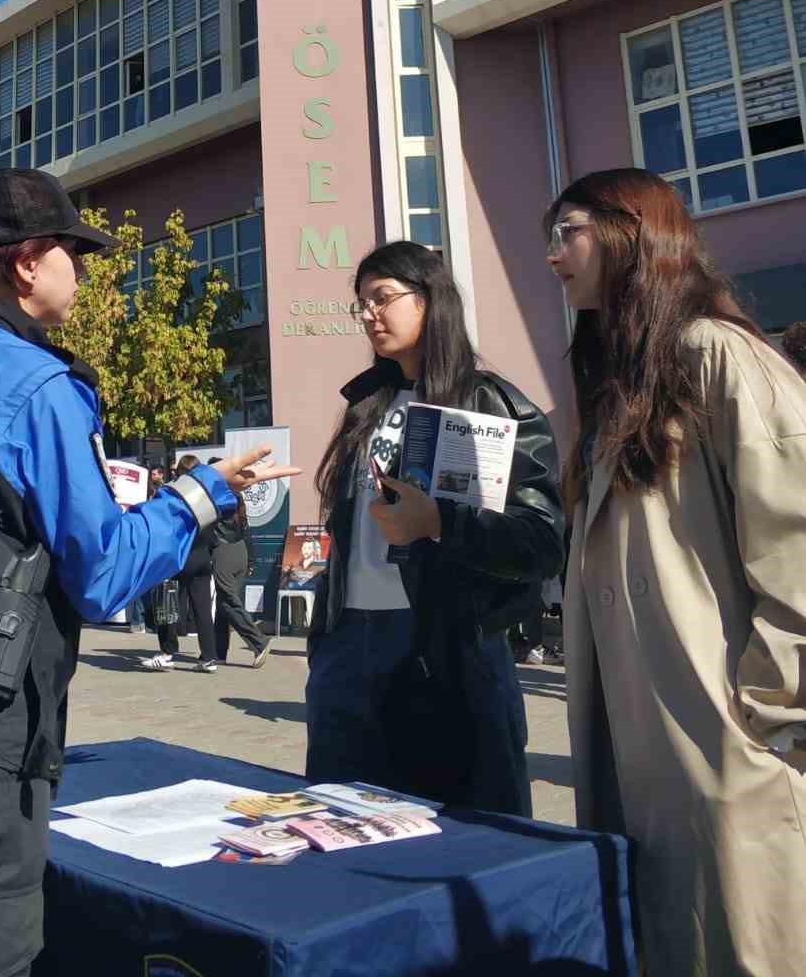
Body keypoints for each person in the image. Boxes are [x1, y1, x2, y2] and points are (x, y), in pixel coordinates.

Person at [0, 169, 295, 976]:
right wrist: (202, 494)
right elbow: (103, 571)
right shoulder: (35, 382)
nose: (85, 270)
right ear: (29, 262)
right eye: (76, 252)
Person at [548, 168, 806, 975]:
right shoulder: (618, 389)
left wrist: (767, 715)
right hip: (643, 745)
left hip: (729, 749)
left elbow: (796, 541)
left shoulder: (718, 358)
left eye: (569, 231)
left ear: (632, 232)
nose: (553, 255)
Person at [305, 240, 564, 816]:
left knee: (455, 831)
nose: (369, 315)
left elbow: (541, 542)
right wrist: (326, 641)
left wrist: (439, 523)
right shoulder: (366, 404)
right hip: (351, 643)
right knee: (341, 821)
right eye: (361, 304)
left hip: (445, 647)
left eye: (382, 299)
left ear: (429, 301)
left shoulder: (489, 402)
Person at [139, 453, 220, 672]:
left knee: (166, 600)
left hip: (180, 556)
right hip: (202, 556)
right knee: (203, 609)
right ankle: (209, 657)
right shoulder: (207, 495)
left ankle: (167, 652)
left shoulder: (174, 495)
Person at [207, 456, 271, 667]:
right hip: (239, 551)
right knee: (226, 604)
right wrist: (251, 558)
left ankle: (259, 642)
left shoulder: (214, 497)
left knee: (229, 602)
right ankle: (219, 652)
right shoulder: (235, 495)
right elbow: (246, 528)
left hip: (224, 551)